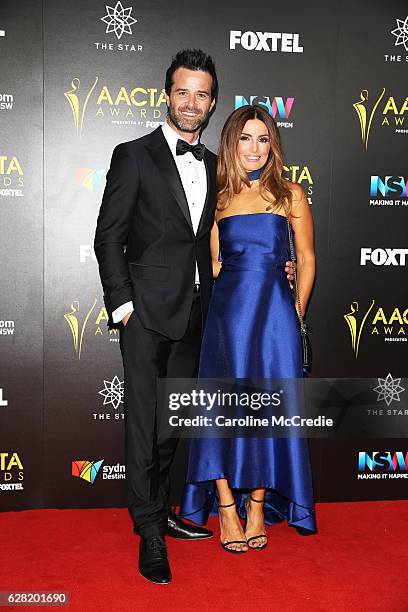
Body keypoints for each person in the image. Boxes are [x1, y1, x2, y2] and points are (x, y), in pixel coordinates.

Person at [95, 50, 295, 584]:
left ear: (212, 103)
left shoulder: (215, 166)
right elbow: (108, 236)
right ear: (167, 96)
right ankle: (149, 533)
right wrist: (123, 305)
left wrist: (281, 266)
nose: (191, 103)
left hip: (197, 317)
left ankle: (162, 511)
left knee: (170, 425)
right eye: (182, 92)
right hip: (142, 314)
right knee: (142, 425)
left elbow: (229, 238)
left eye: (202, 95)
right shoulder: (133, 155)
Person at [180, 104, 317, 553]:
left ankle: (256, 504)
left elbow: (308, 259)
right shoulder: (217, 198)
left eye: (263, 139)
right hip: (228, 317)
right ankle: (224, 505)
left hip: (276, 317)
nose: (254, 148)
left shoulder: (291, 194)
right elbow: (215, 265)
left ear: (272, 145)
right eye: (245, 138)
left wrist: (295, 311)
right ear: (231, 143)